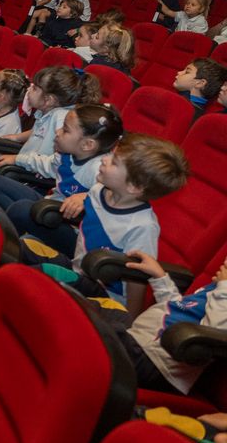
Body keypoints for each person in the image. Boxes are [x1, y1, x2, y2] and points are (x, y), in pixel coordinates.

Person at [20, 133, 189, 315]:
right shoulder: (98, 190)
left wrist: (129, 319)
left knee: (39, 273)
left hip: (104, 293)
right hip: (77, 267)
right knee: (20, 247)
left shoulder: (142, 227)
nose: (104, 159)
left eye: (114, 162)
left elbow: (137, 277)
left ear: (133, 186)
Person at [0, 104, 124, 252]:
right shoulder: (66, 154)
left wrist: (87, 197)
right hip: (51, 207)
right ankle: (15, 233)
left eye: (65, 130)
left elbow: (117, 197)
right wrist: (17, 159)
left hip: (73, 229)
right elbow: (47, 165)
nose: (57, 131)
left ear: (87, 144)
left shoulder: (101, 168)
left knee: (21, 210)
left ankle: (7, 245)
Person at [0, 66, 100, 195]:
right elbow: (39, 132)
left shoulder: (60, 118)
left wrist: (17, 159)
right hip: (23, 166)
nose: (29, 89)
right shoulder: (45, 113)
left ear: (48, 100)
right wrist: (17, 137)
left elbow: (60, 158)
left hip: (31, 177)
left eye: (35, 88)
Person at [109, 250, 227, 393]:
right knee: (92, 309)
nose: (224, 263)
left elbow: (214, 333)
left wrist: (224, 289)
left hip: (154, 362)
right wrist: (160, 277)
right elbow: (178, 308)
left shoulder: (222, 295)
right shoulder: (213, 290)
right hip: (139, 340)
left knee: (94, 330)